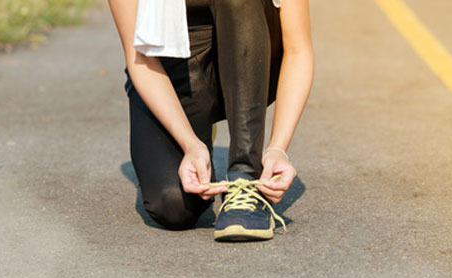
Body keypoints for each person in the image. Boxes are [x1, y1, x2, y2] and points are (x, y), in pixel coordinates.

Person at [108, 0, 314, 241]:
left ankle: (244, 173)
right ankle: (201, 134)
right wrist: (190, 144)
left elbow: (298, 50)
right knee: (173, 206)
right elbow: (141, 59)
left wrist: (278, 148)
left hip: (250, 50)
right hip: (173, 67)